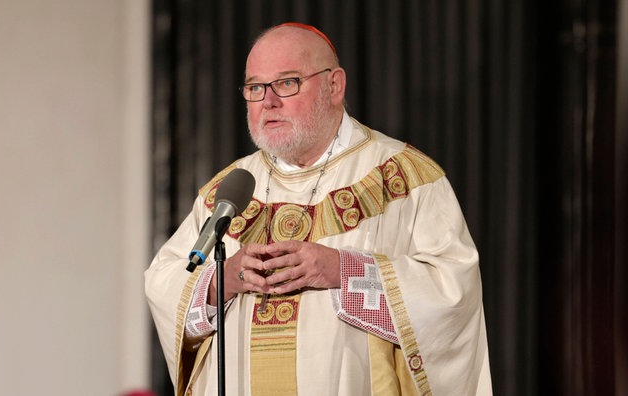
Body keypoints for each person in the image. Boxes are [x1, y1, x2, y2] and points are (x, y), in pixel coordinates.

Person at [145, 22, 492, 395]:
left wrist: (343, 270)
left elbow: (454, 293)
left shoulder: (405, 179)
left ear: (334, 86)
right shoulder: (230, 188)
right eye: (255, 87)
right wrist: (223, 279)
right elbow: (164, 282)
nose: (268, 102)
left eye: (287, 83)